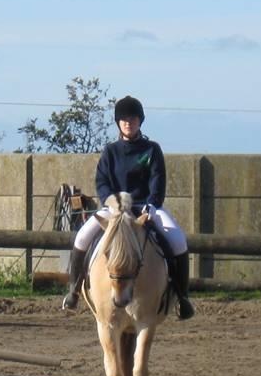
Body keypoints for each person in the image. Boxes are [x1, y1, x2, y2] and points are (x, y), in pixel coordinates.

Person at [62, 95, 195, 320]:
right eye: (123, 119)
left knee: (178, 241)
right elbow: (102, 182)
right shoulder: (110, 151)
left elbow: (157, 182)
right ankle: (74, 290)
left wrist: (151, 206)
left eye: (132, 119)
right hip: (116, 209)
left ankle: (182, 297)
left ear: (139, 121)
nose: (128, 123)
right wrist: (111, 201)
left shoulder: (151, 150)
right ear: (118, 122)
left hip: (146, 208)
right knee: (83, 237)